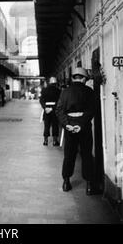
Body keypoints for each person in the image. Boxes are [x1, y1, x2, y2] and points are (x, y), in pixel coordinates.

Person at [55, 67, 100, 195]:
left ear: (73, 78)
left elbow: (59, 110)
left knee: (69, 155)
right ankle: (90, 186)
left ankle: (66, 182)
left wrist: (67, 125)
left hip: (69, 128)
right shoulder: (89, 91)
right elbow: (91, 110)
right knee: (86, 155)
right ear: (84, 78)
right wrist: (80, 124)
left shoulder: (65, 92)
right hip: (84, 127)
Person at [39, 76, 61, 146]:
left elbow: (41, 100)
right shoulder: (58, 91)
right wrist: (53, 108)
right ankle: (55, 141)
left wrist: (45, 108)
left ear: (49, 82)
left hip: (47, 110)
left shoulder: (44, 90)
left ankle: (45, 141)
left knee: (46, 125)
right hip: (55, 110)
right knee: (55, 125)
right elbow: (59, 102)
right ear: (55, 83)